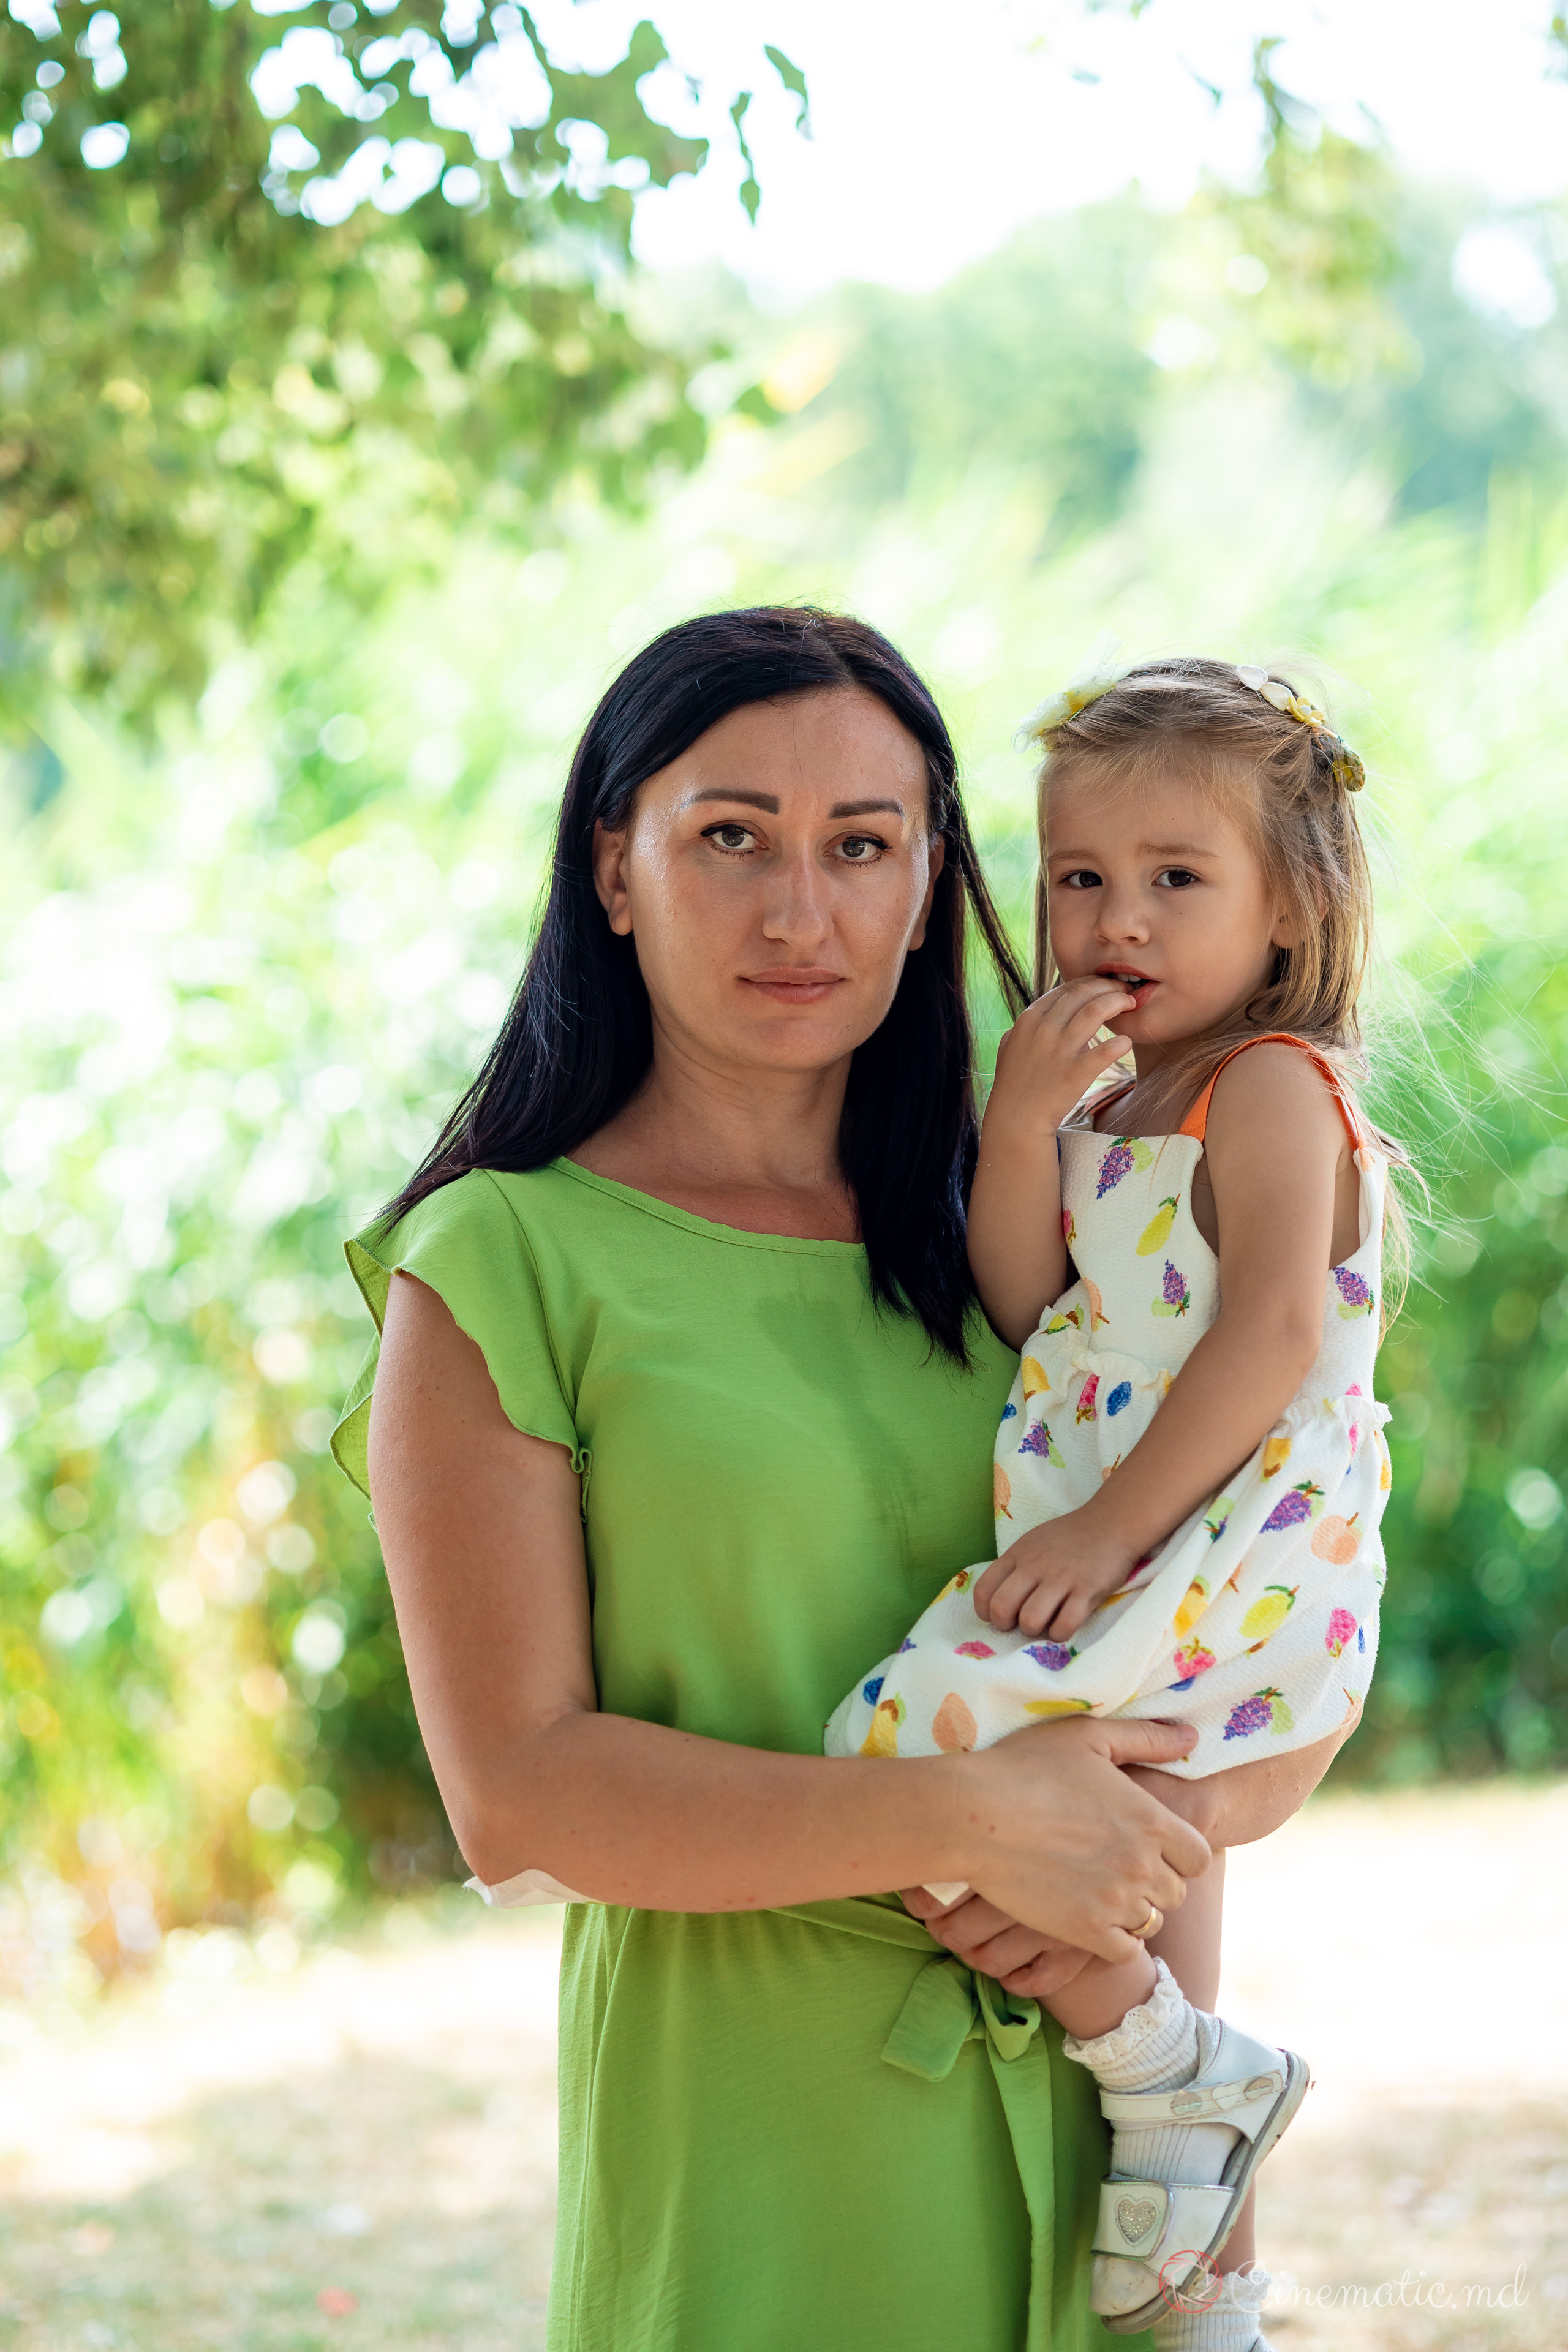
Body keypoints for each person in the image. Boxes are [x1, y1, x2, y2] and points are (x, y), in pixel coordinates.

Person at [331, 609, 1348, 2352]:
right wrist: (965, 1815)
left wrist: (1210, 2242)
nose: (803, 911)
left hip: (1104, 2186)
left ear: (934, 876)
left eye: (862, 847)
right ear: (618, 870)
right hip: (761, 2170)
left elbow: (1163, 1701)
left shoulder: (1038, 1239)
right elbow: (517, 1794)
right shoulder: (502, 1261)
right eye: (731, 836)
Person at [828, 655, 1401, 2351]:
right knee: (1033, 1826)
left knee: (934, 1766)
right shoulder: (1108, 1098)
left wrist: (1109, 1530)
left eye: (1175, 879)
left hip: (1225, 1536)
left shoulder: (1272, 1087)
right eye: (1080, 878)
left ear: (1286, 912)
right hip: (1133, 1542)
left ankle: (1176, 2096)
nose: (1116, 921)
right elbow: (1026, 1301)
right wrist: (1020, 1130)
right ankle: (1182, 2105)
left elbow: (1276, 1331)